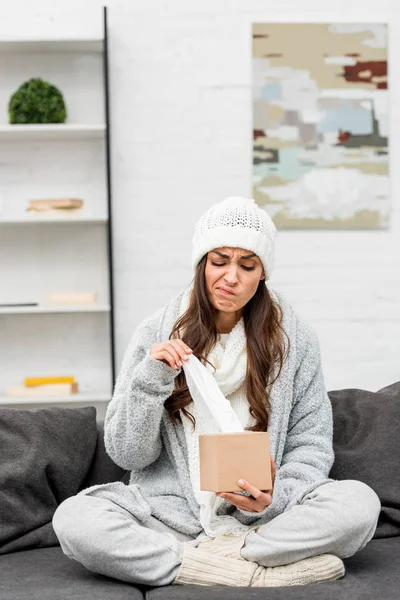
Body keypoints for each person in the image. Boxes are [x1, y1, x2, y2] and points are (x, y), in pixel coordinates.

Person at [53, 196, 381, 588]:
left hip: (266, 520)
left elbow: (310, 442)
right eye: (219, 260)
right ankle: (252, 571)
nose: (231, 278)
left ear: (263, 274)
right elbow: (128, 454)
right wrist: (151, 377)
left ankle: (214, 560)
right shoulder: (156, 333)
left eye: (247, 265)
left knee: (360, 504)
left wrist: (272, 499)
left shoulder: (296, 341)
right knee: (74, 518)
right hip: (170, 518)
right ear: (201, 264)